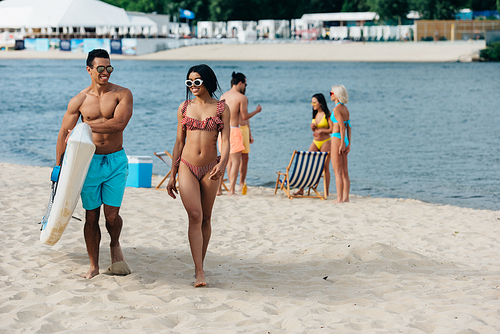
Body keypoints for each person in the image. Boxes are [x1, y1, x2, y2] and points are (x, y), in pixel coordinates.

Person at [55, 49, 133, 279]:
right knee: (91, 215)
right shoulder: (79, 100)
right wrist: (58, 167)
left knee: (111, 215)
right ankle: (93, 266)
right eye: (100, 68)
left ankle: (114, 244)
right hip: (88, 163)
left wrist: (84, 127)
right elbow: (62, 134)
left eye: (109, 68)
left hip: (116, 161)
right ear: (89, 69)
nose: (105, 72)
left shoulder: (122, 94)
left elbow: (119, 124)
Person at [167, 64, 230, 287]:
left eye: (197, 82)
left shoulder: (222, 108)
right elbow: (179, 142)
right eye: (189, 82)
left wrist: (223, 164)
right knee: (194, 215)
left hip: (211, 168)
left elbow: (227, 141)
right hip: (187, 166)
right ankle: (200, 271)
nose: (192, 86)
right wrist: (172, 173)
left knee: (206, 218)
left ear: (207, 82)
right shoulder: (184, 108)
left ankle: (199, 264)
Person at [220, 72, 261, 195]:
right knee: (236, 161)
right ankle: (231, 190)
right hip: (234, 130)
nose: (245, 87)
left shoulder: (223, 96)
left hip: (222, 131)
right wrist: (256, 111)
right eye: (245, 84)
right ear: (240, 83)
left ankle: (218, 190)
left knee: (224, 161)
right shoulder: (242, 98)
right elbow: (244, 116)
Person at [293, 93, 333, 196]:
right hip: (315, 141)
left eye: (314, 102)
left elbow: (332, 129)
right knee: (306, 162)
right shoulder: (315, 113)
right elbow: (316, 128)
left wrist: (321, 131)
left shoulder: (327, 114)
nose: (313, 104)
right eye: (312, 102)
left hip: (326, 142)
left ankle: (326, 192)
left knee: (325, 167)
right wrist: (312, 127)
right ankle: (301, 189)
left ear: (320, 103)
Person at [330, 85, 351, 203]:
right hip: (344, 139)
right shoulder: (345, 109)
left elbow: (342, 127)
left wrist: (342, 143)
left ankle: (339, 198)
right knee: (345, 172)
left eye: (331, 93)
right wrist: (348, 143)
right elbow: (349, 127)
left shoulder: (336, 109)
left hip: (337, 138)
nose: (331, 95)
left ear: (336, 95)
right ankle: (346, 198)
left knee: (337, 171)